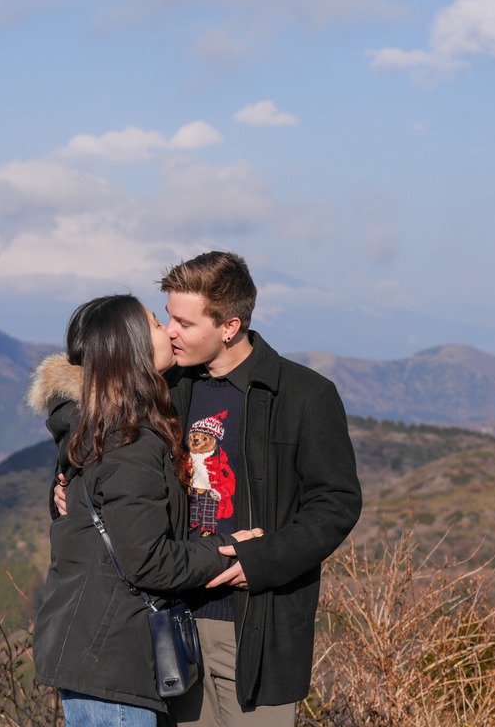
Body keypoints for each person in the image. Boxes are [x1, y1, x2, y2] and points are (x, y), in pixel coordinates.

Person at [28, 294, 262, 727]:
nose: (169, 331)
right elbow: (147, 559)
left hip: (97, 649)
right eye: (156, 324)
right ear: (129, 348)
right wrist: (230, 550)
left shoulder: (103, 426)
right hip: (112, 655)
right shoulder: (128, 438)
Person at [160, 251, 362, 726]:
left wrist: (262, 561)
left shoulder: (304, 395)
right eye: (169, 316)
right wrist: (62, 489)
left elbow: (335, 504)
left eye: (184, 322)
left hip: (257, 627)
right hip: (172, 625)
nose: (169, 330)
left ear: (228, 326)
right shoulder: (166, 389)